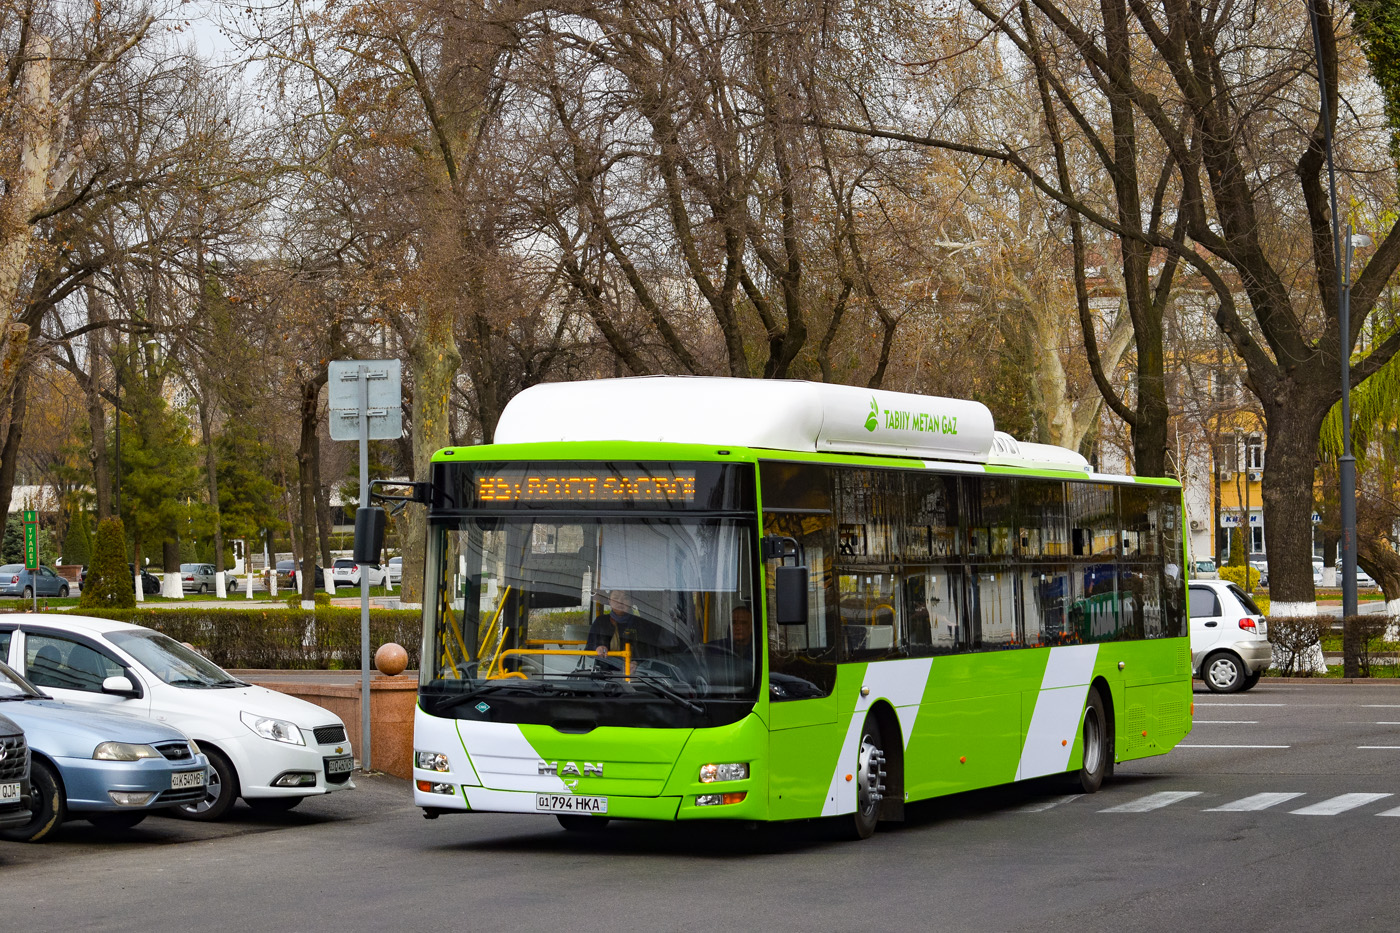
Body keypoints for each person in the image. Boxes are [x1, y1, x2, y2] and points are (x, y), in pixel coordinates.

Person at [586, 590, 680, 661]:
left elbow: (652, 655)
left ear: (631, 602)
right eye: (616, 597)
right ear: (609, 600)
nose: (620, 601)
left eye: (625, 598)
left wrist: (638, 665)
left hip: (639, 677)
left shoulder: (643, 624)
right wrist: (597, 648)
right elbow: (589, 650)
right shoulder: (601, 622)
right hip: (605, 676)